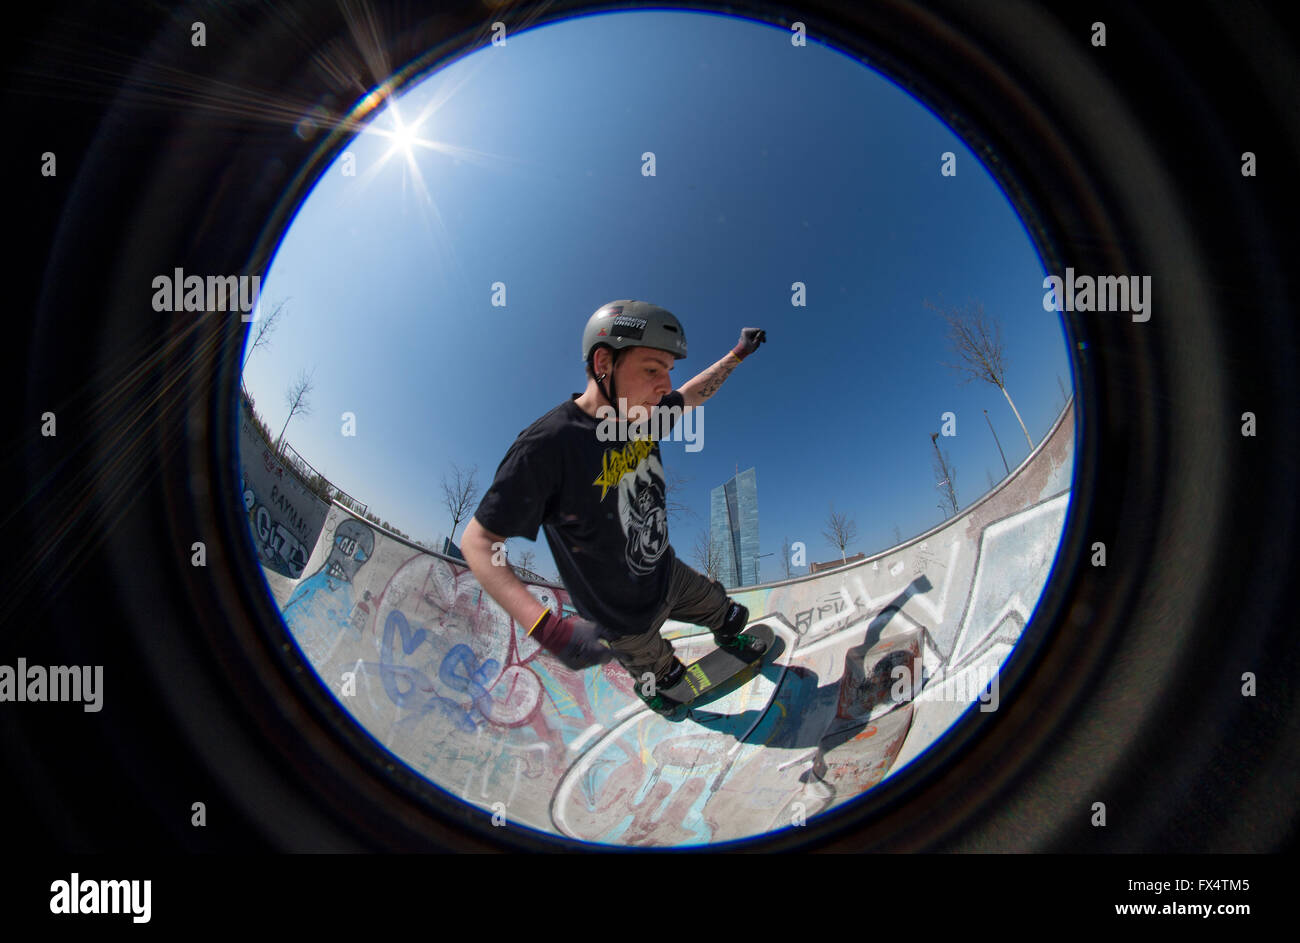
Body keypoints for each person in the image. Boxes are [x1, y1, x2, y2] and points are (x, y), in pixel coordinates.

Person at [461, 299, 767, 717]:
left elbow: (691, 394)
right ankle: (657, 684)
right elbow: (478, 541)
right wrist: (546, 628)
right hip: (619, 616)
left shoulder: (645, 417)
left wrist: (737, 354)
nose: (664, 385)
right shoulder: (548, 445)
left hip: (667, 574)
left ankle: (724, 634)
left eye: (667, 371)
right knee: (669, 682)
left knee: (733, 617)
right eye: (651, 370)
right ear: (604, 362)